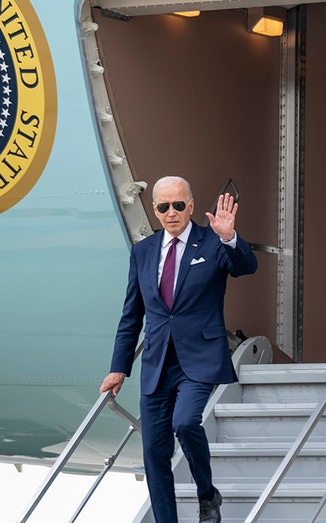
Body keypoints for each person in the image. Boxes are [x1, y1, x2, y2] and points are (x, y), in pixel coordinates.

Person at [100, 176, 258, 523]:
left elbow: (247, 267)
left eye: (178, 205)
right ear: (155, 210)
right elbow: (132, 315)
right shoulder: (143, 252)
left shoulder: (213, 242)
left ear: (190, 204)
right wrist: (119, 367)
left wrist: (229, 236)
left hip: (199, 359)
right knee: (154, 454)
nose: (171, 213)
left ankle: (207, 494)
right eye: (163, 207)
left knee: (186, 422)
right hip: (157, 364)